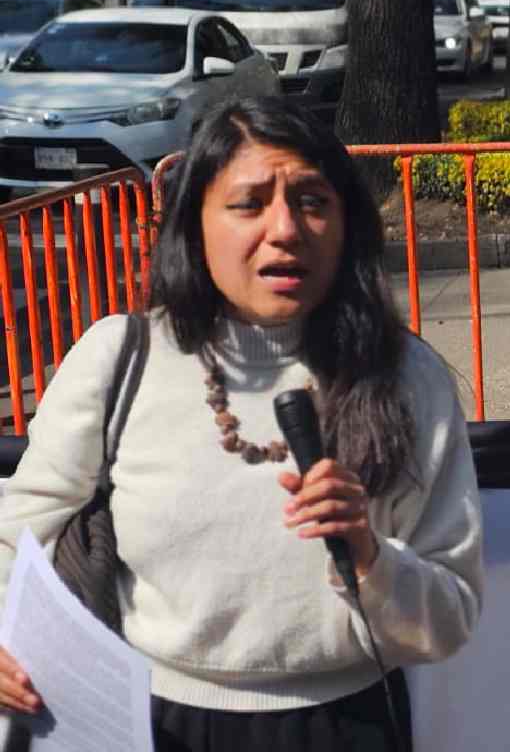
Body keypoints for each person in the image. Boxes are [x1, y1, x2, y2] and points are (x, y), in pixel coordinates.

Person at [0, 96, 483, 751]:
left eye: (312, 201)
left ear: (347, 224)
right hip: (151, 725)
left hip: (346, 728)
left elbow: (449, 616)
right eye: (249, 204)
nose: (285, 229)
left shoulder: (408, 377)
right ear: (193, 223)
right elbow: (15, 535)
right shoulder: (121, 357)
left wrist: (370, 558)